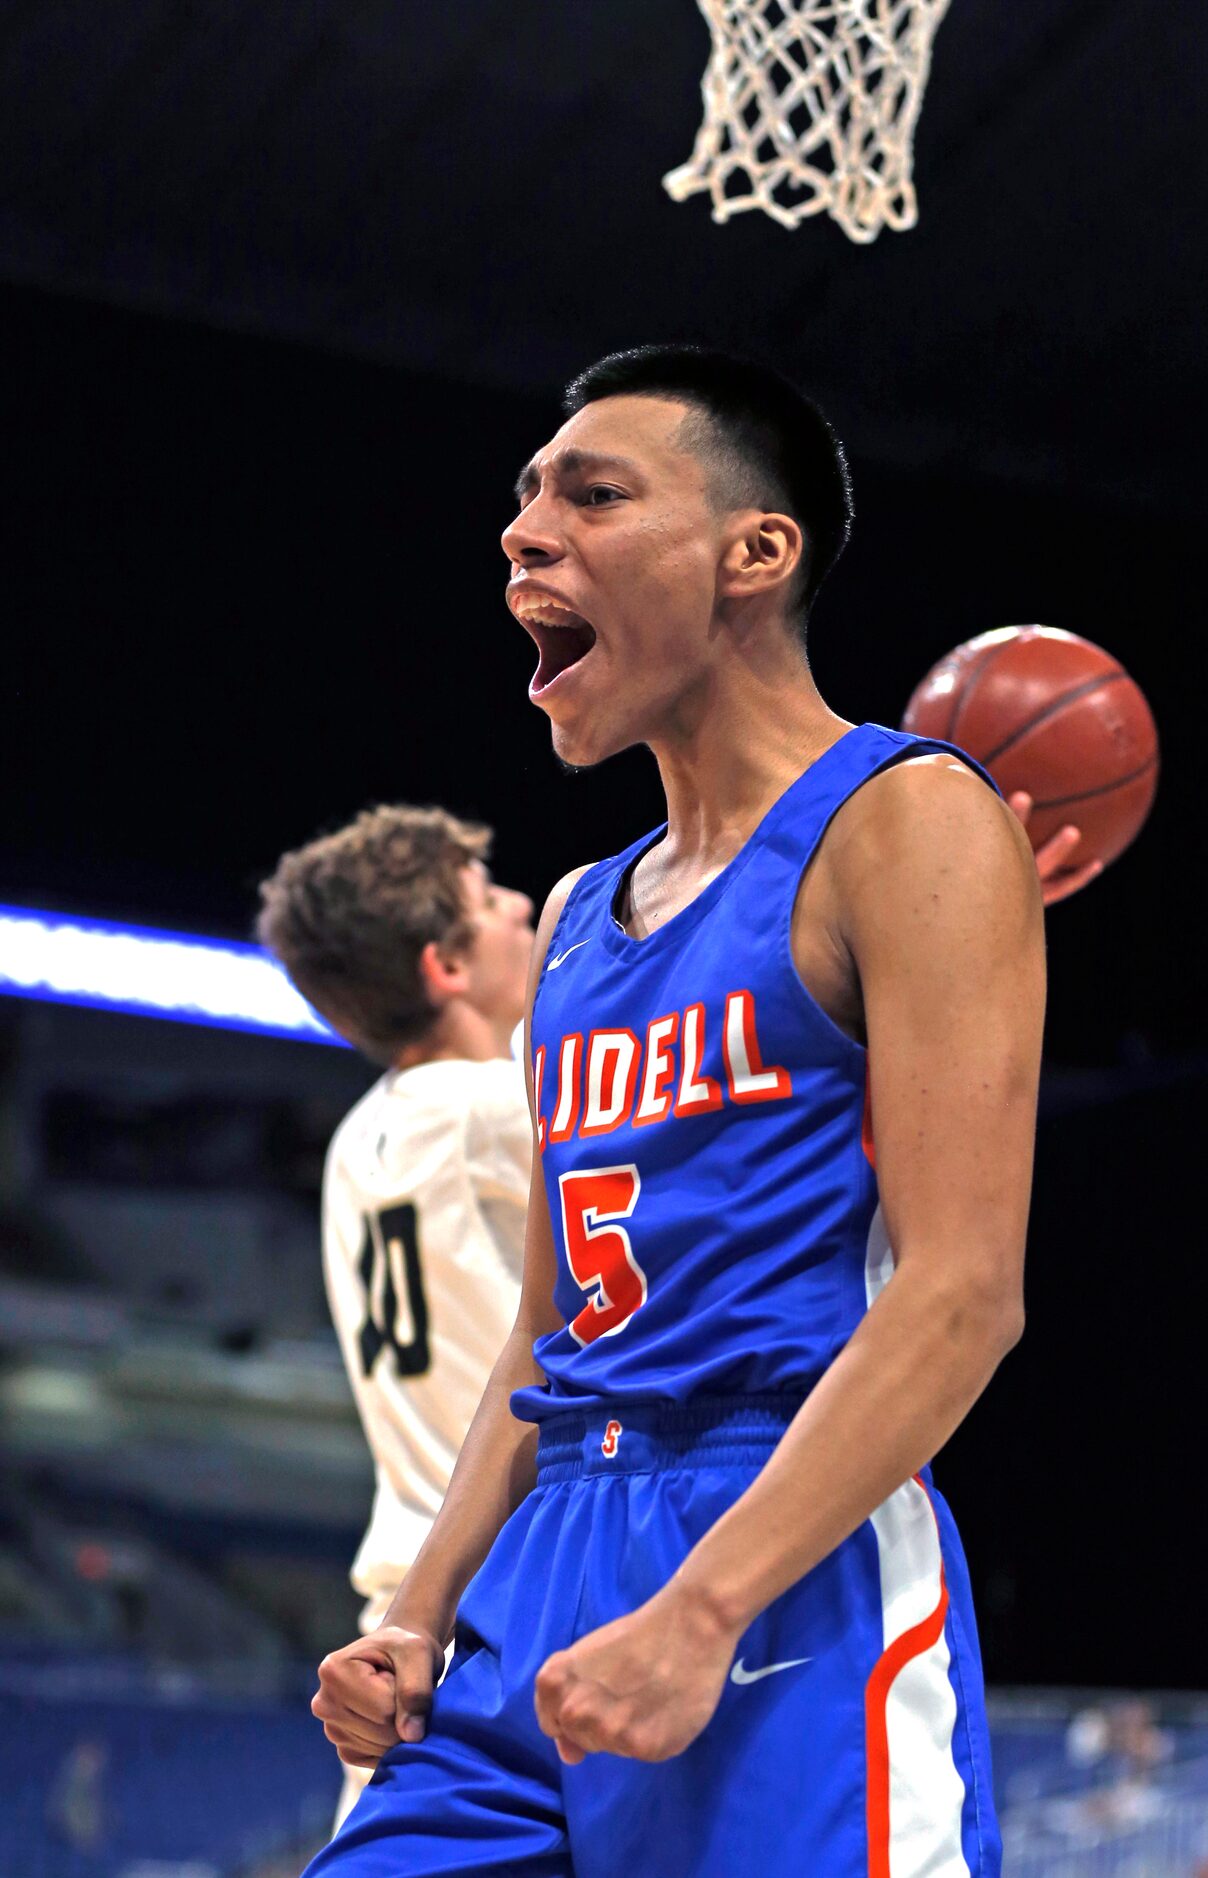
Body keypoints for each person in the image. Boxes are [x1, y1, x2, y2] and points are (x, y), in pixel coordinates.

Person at [304, 346, 1046, 1876]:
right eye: (520, 503)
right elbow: (540, 1331)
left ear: (751, 554)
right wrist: (415, 1612)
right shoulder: (574, 917)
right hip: (543, 1562)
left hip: (781, 1551)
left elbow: (963, 1292)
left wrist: (703, 1606)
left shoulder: (904, 817)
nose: (523, 532)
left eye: (591, 492)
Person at [257, 804, 535, 1828]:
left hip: (400, 1619)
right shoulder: (486, 1110)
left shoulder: (357, 1137)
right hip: (503, 1597)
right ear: (444, 968)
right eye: (495, 901)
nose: (527, 913)